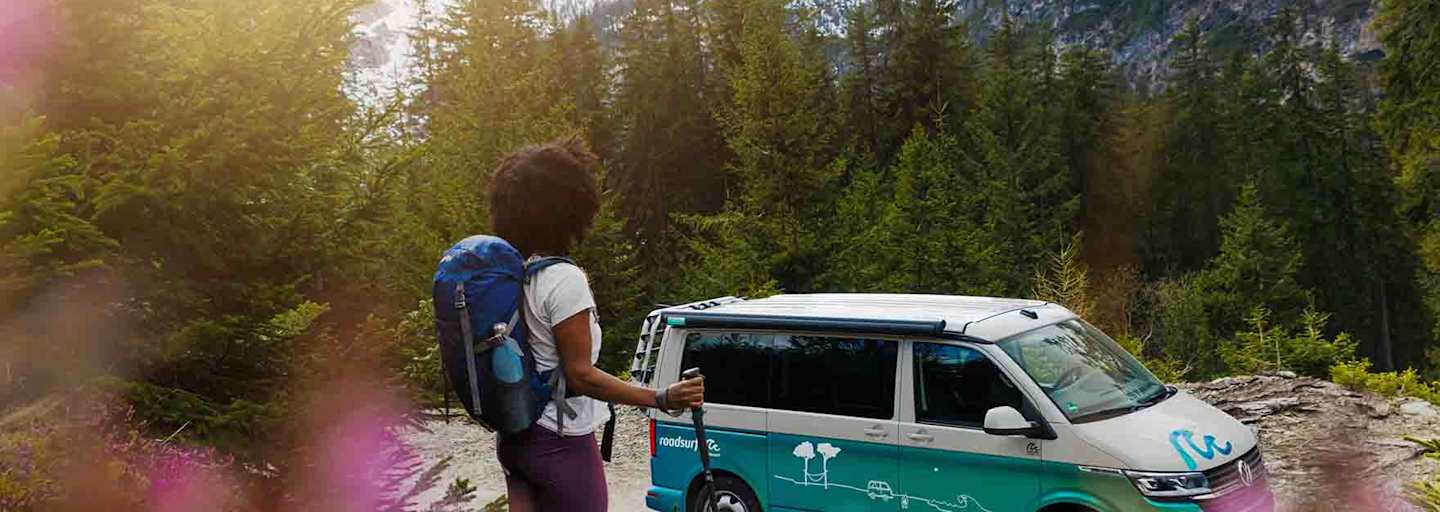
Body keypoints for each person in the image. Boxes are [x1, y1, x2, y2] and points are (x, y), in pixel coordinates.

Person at [487, 137, 706, 511]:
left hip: (515, 438)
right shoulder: (563, 279)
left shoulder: (507, 273)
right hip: (560, 440)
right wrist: (659, 397)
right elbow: (580, 376)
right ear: (570, 206)